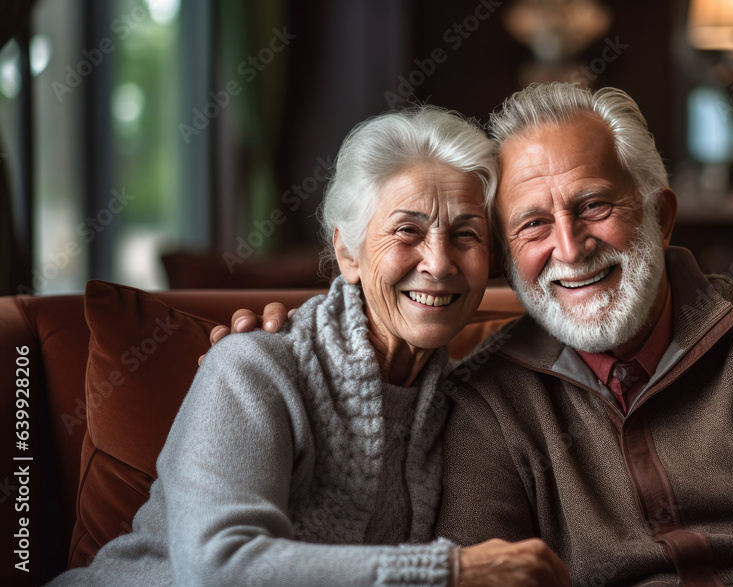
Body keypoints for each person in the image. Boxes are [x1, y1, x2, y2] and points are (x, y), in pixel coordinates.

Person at [223, 83, 733, 585]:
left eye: (595, 205)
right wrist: (281, 352)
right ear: (509, 258)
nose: (570, 248)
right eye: (533, 224)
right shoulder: (486, 397)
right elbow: (486, 574)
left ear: (659, 216)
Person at [48, 107, 570, 587]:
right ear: (348, 251)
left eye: (466, 235)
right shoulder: (251, 363)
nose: (439, 263)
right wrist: (447, 571)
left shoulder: (458, 402)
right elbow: (218, 568)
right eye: (407, 231)